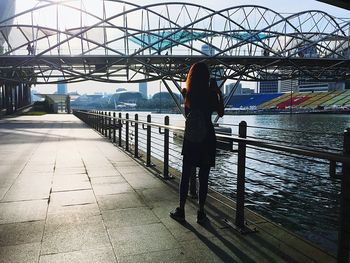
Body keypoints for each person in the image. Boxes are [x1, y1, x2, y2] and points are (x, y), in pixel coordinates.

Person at [170, 62, 224, 224]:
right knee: (204, 176)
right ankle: (201, 212)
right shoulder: (211, 94)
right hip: (207, 138)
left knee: (186, 174)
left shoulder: (188, 93)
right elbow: (221, 113)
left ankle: (181, 210)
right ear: (207, 77)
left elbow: (188, 116)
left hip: (191, 138)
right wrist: (218, 92)